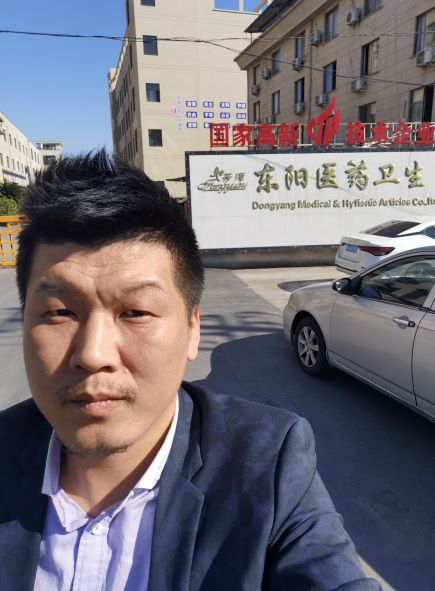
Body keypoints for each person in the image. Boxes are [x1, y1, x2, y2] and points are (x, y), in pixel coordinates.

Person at [0, 150, 380, 591]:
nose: (93, 354)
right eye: (60, 312)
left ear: (192, 329)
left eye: (136, 311)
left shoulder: (266, 462)